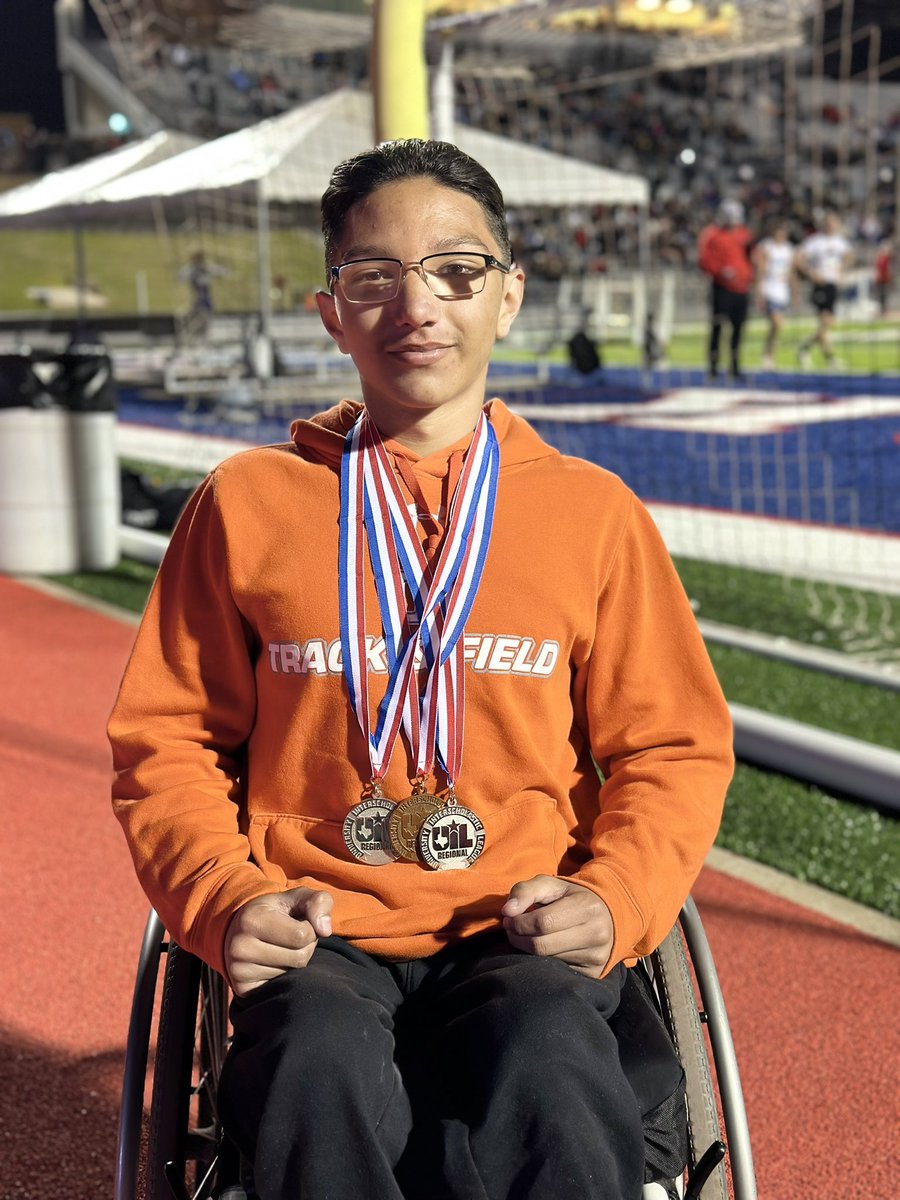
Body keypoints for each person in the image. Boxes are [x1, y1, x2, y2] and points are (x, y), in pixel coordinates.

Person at [108, 140, 734, 1200]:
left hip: (522, 927)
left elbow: (673, 748)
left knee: (551, 1057)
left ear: (509, 296)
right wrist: (222, 898)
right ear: (331, 312)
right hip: (316, 934)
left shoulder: (593, 516)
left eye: (456, 271)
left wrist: (616, 898)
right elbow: (167, 742)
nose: (417, 306)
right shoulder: (245, 504)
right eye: (374, 276)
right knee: (314, 1068)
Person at [697, 198, 754, 381]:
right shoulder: (712, 234)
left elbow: (750, 257)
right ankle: (713, 368)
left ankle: (735, 367)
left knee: (738, 329)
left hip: (741, 288)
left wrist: (748, 276)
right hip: (721, 288)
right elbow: (704, 260)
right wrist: (720, 271)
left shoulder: (744, 234)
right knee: (718, 326)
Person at [794, 211, 853, 368]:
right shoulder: (815, 242)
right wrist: (810, 273)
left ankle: (805, 348)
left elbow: (849, 256)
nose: (832, 225)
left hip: (833, 285)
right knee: (825, 323)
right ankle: (830, 358)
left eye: (834, 222)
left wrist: (842, 271)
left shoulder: (840, 242)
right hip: (820, 285)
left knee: (826, 325)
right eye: (829, 222)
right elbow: (798, 259)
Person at [752, 219, 798, 370]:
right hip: (770, 289)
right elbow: (760, 270)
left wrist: (795, 292)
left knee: (776, 327)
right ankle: (768, 356)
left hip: (782, 291)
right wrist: (758, 292)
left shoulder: (788, 249)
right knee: (776, 323)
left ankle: (769, 355)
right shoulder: (766, 246)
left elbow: (791, 272)